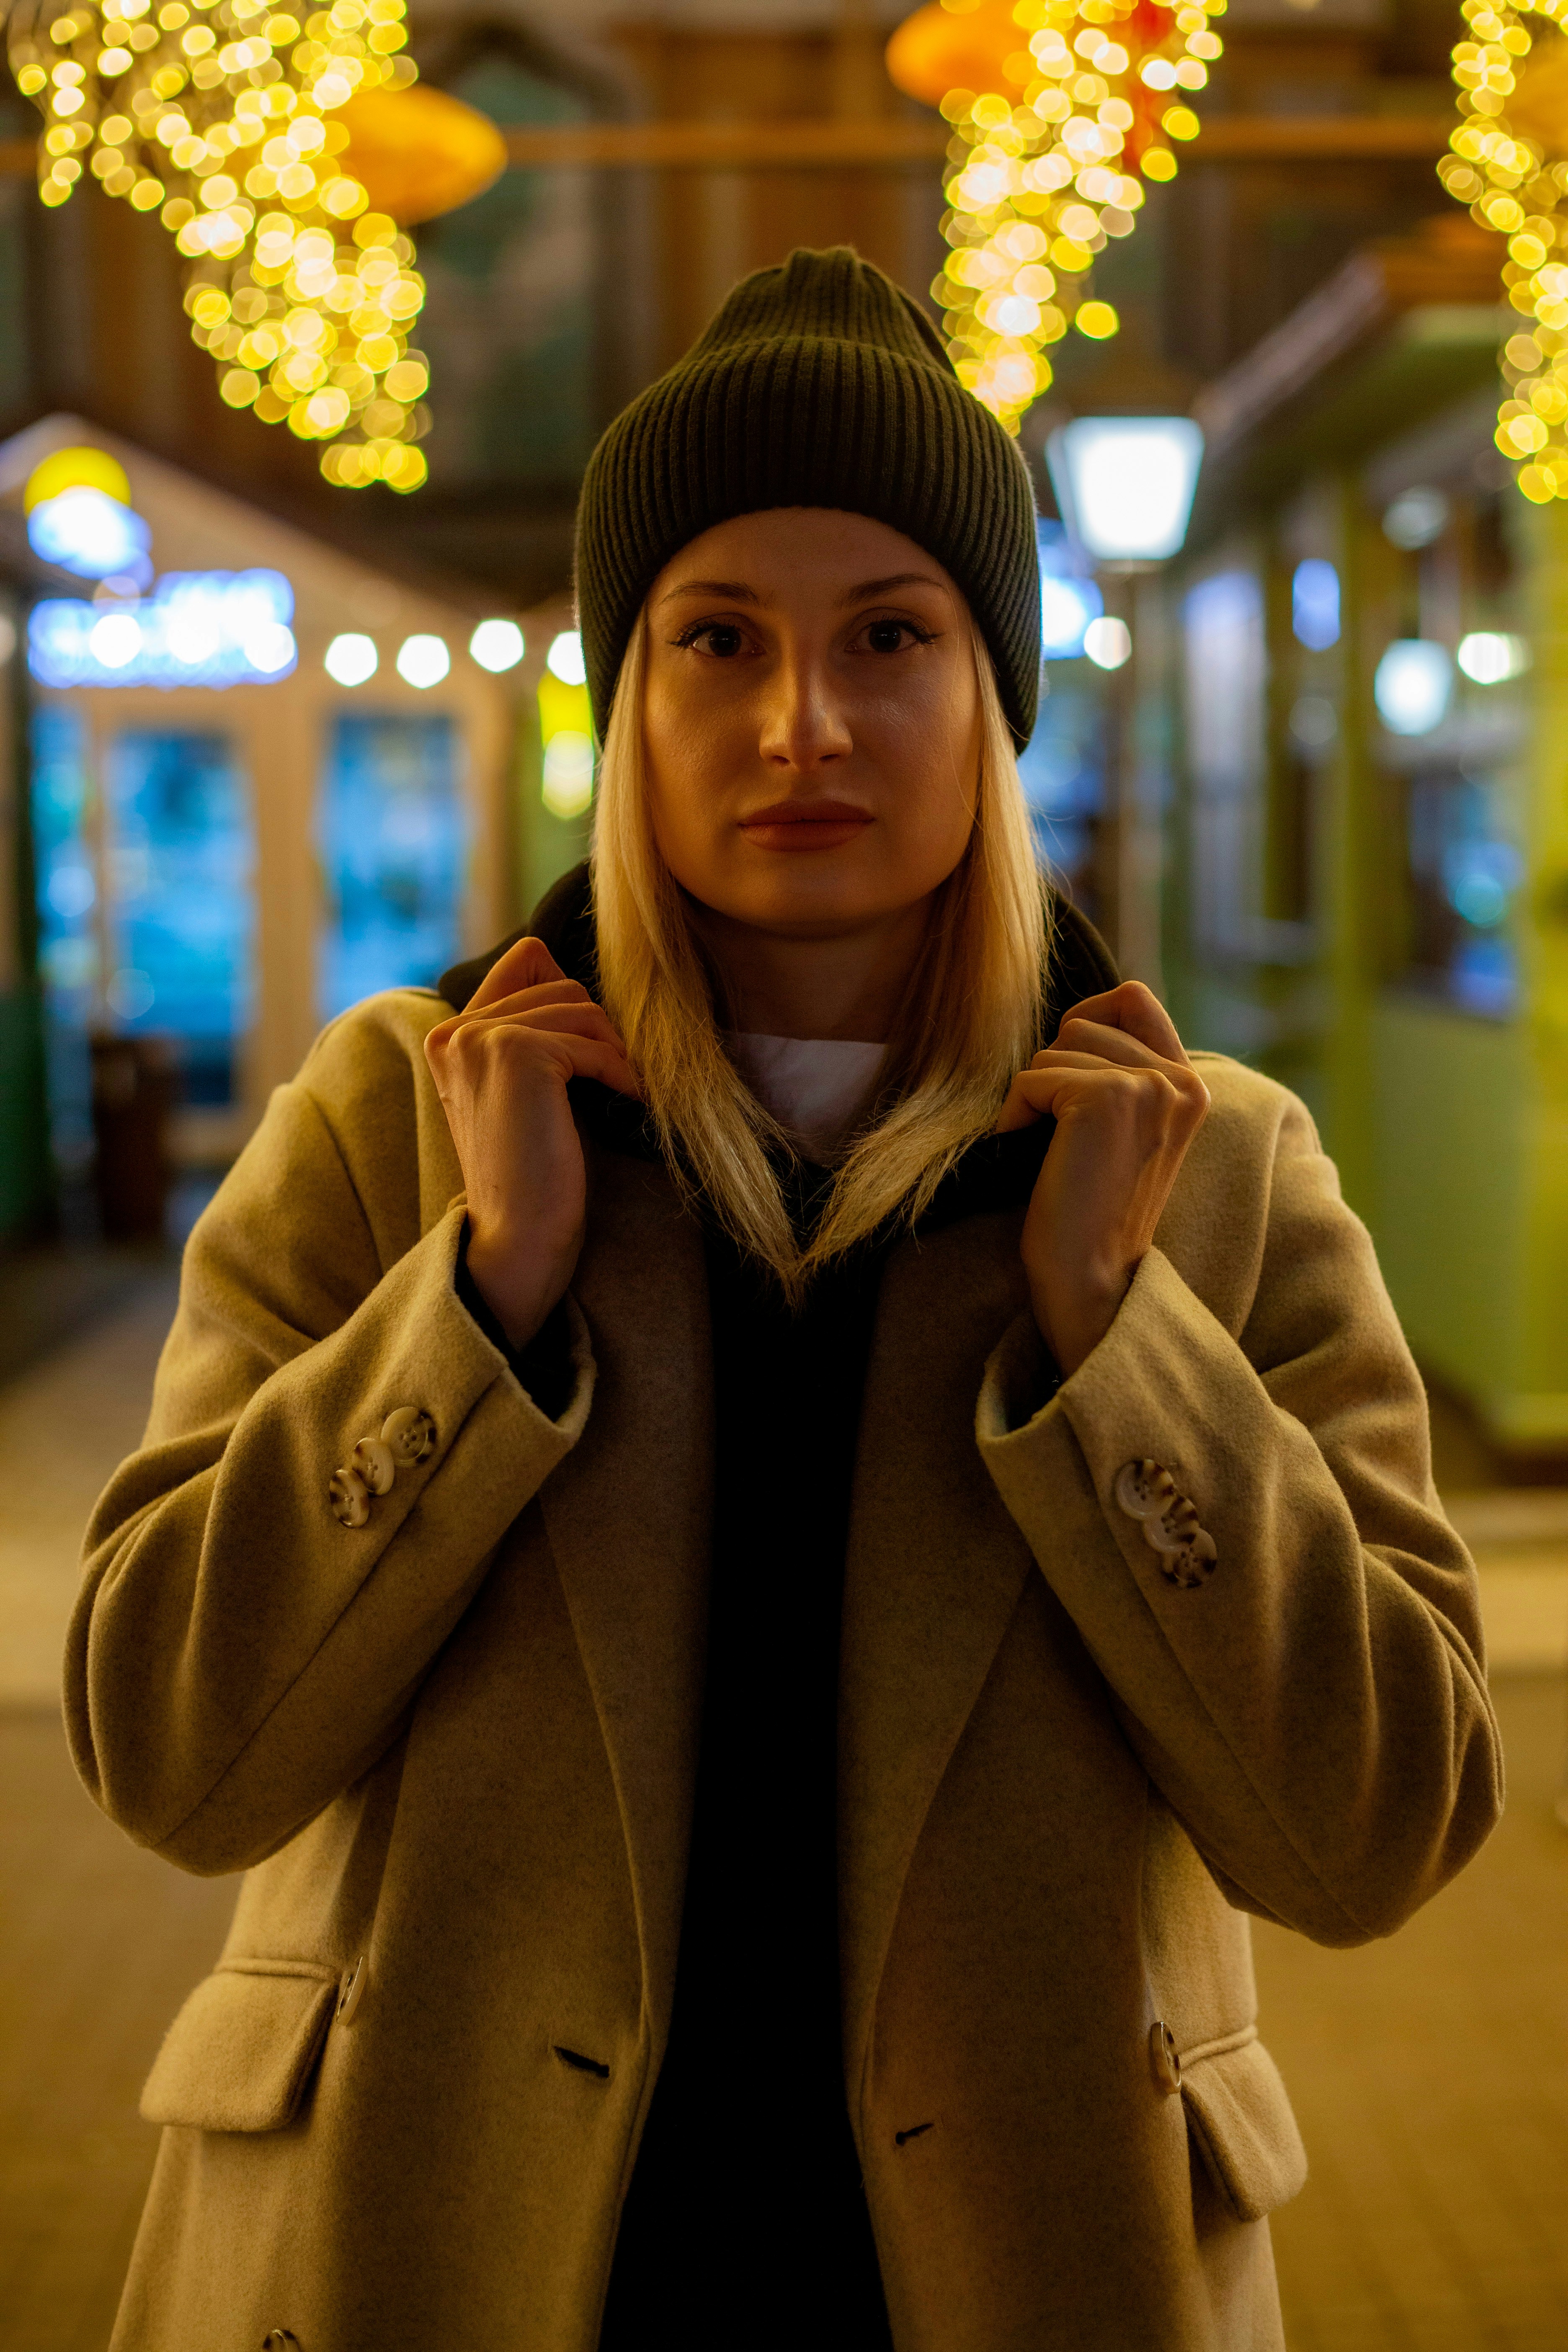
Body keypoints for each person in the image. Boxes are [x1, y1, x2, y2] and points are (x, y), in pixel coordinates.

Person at [73, 248, 1500, 2352]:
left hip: (1022, 2266)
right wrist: (474, 1307)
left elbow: (1377, 1833)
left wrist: (1123, 1346)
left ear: (995, 698)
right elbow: (176, 1759)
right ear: (629, 695)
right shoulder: (398, 1116)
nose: (801, 723)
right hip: (433, 2245)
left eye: (894, 636)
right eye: (716, 637)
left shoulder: (1212, 1171)